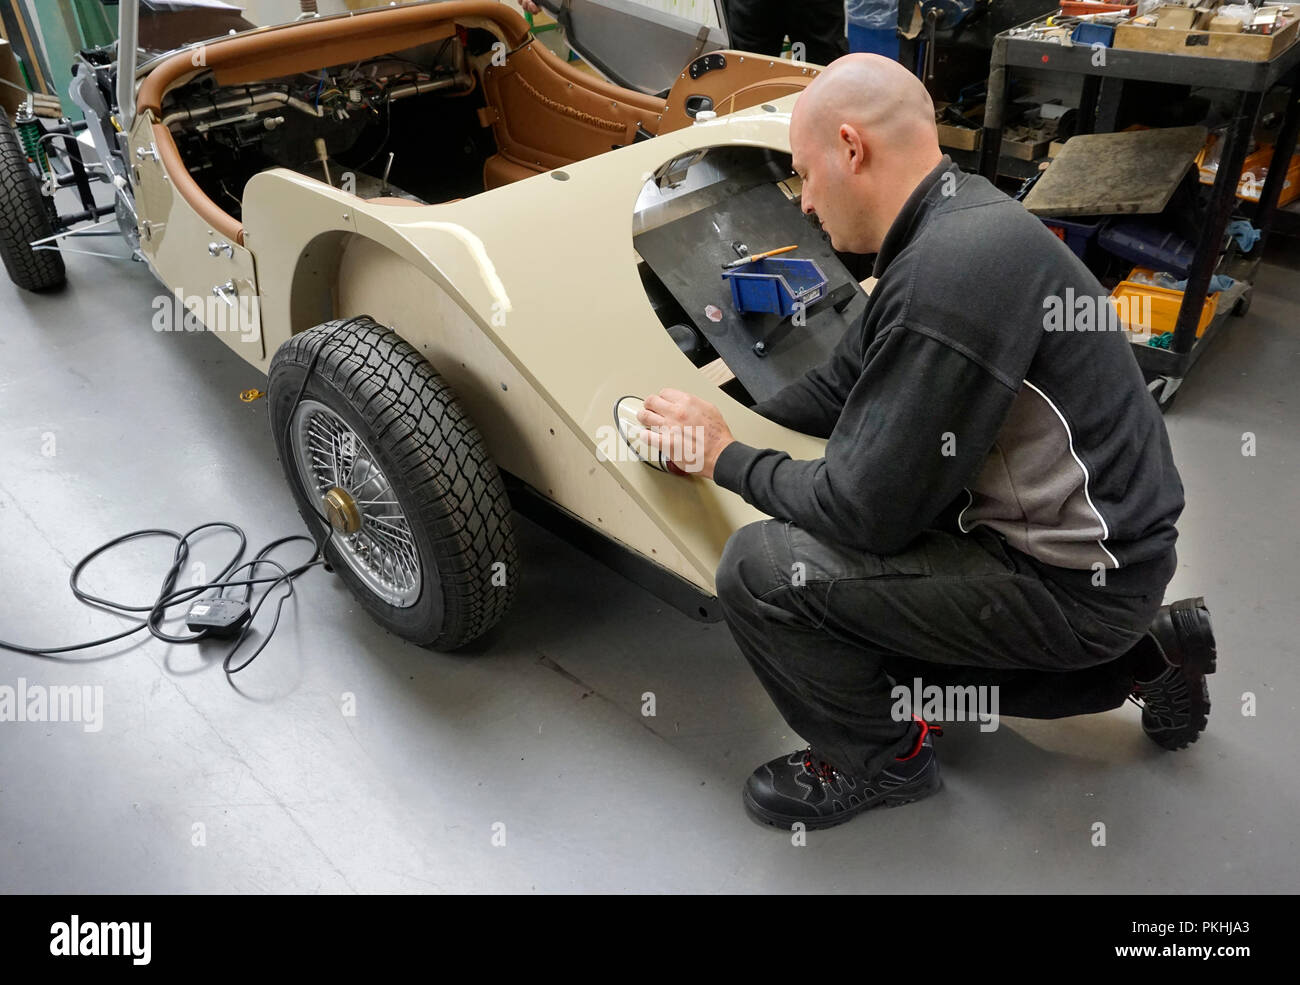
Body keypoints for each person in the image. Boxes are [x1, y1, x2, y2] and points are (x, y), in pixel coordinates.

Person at [635, 54, 1217, 831]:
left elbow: (864, 512)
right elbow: (844, 386)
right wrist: (728, 412)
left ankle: (879, 760)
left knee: (769, 572)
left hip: (1077, 587)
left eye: (805, 176)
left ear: (851, 148)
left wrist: (724, 458)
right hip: (1100, 553)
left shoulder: (951, 272)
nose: (804, 205)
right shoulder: (954, 220)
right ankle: (1152, 652)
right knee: (873, 618)